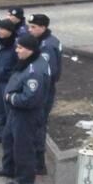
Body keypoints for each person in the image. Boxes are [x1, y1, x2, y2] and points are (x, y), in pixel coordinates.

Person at [0, 35, 50, 184]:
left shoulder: (34, 72)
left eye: (20, 48)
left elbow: (30, 99)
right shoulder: (27, 62)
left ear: (30, 50)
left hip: (26, 114)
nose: (16, 50)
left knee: (23, 146)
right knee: (8, 139)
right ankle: (9, 168)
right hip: (16, 112)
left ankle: (25, 180)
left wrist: (11, 97)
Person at [28, 14, 62, 175]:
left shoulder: (47, 45)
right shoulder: (42, 41)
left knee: (38, 125)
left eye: (33, 27)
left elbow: (50, 72)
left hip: (43, 92)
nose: (30, 30)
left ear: (43, 27)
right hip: (42, 90)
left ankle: (39, 163)